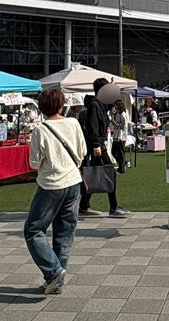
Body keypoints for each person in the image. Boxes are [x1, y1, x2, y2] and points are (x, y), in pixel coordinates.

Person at [24, 87, 87, 295]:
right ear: (62, 105)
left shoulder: (40, 130)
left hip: (51, 184)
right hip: (73, 182)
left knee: (33, 229)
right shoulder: (74, 123)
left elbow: (34, 163)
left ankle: (53, 272)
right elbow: (82, 152)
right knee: (65, 232)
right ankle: (56, 278)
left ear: (42, 108)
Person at [79, 78, 131, 218]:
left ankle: (84, 205)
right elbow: (92, 126)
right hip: (97, 146)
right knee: (109, 173)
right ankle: (113, 207)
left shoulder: (100, 105)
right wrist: (96, 144)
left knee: (94, 175)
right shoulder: (95, 106)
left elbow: (111, 104)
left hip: (98, 145)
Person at [109, 101, 130, 174]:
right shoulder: (117, 114)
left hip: (121, 136)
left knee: (120, 152)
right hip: (116, 135)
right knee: (114, 152)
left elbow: (124, 126)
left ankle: (122, 167)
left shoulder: (122, 114)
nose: (115, 107)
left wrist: (115, 123)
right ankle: (123, 163)